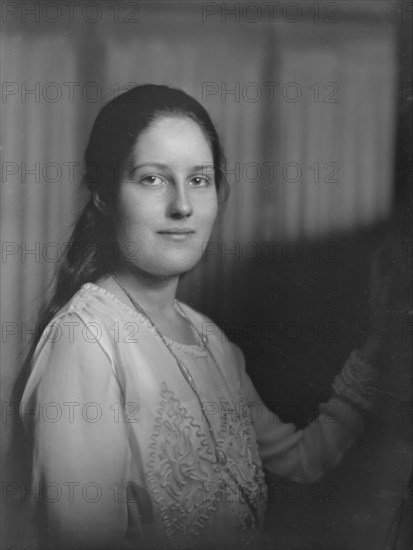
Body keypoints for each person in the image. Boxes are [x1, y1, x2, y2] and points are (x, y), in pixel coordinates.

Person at [15, 84, 393, 550]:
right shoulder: (86, 340)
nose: (182, 206)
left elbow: (301, 461)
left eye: (199, 179)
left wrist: (378, 343)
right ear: (105, 196)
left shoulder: (210, 341)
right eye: (152, 179)